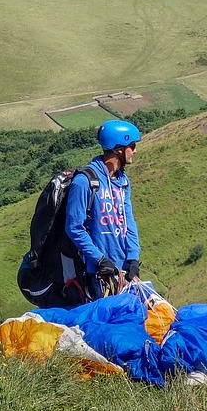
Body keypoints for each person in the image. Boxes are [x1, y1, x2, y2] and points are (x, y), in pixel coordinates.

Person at [64, 119, 141, 300]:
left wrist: (133, 258)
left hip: (124, 271)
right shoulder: (84, 182)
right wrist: (98, 259)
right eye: (132, 145)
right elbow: (74, 227)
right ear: (118, 149)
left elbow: (128, 222)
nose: (135, 150)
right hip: (97, 274)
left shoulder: (123, 182)